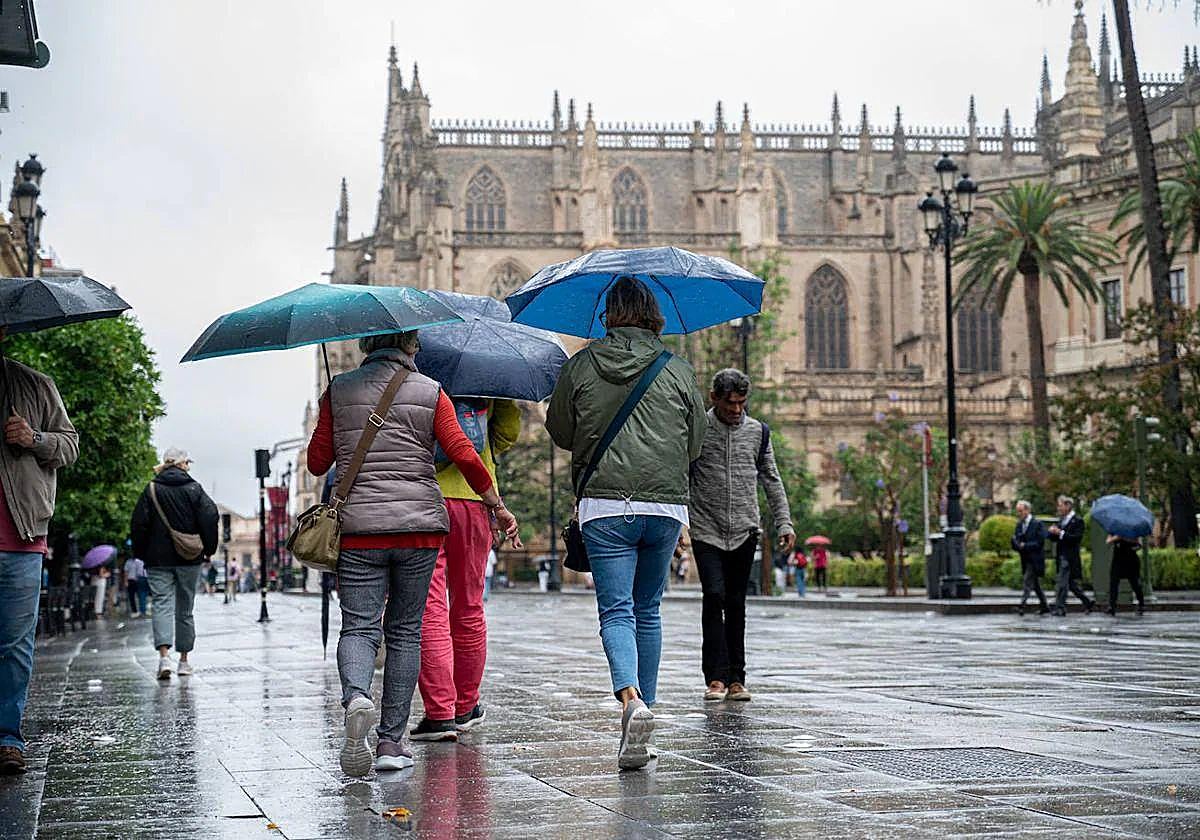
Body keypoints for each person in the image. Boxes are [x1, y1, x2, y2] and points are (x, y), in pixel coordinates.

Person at [305, 330, 519, 777]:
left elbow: (317, 463)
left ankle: (357, 697)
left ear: (365, 345)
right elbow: (463, 452)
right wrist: (496, 506)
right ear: (412, 347)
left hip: (360, 528)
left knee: (360, 626)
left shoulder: (339, 388)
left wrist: (336, 408)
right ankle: (390, 742)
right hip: (419, 528)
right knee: (406, 631)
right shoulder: (430, 390)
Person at [546, 276, 705, 771]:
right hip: (664, 508)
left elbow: (560, 432)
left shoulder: (582, 365)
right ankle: (646, 715)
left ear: (608, 314)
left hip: (605, 504)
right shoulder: (677, 369)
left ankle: (630, 702)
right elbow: (695, 442)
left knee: (616, 611)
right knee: (649, 610)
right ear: (654, 314)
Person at [412, 398, 520, 742]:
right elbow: (508, 429)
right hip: (476, 495)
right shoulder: (486, 372)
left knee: (429, 606)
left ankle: (440, 713)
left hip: (424, 497)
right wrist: (481, 444)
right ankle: (466, 707)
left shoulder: (422, 371)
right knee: (469, 604)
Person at [688, 369, 795, 704]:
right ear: (714, 398)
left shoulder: (758, 432)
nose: (736, 409)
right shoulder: (699, 429)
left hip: (745, 529)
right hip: (706, 527)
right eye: (730, 403)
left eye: (741, 402)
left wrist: (785, 523)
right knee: (714, 596)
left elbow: (772, 480)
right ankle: (715, 678)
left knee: (736, 602)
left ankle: (737, 678)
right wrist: (678, 524)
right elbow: (681, 476)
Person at [0, 332, 79, 776]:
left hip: (20, 536)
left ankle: (7, 737)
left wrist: (34, 438)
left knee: (14, 644)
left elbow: (69, 446)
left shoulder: (36, 384)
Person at [130, 447, 219, 681]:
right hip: (190, 558)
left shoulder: (151, 490)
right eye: (187, 463)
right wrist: (208, 550)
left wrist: (142, 553)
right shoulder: (194, 489)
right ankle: (184, 661)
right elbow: (210, 517)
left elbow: (138, 524)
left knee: (161, 604)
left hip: (157, 560)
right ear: (181, 465)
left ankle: (163, 657)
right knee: (185, 608)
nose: (188, 467)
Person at [1047, 495, 1094, 616]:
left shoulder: (1078, 521)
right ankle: (1087, 602)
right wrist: (1052, 532)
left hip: (1070, 557)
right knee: (1071, 585)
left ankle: (1060, 608)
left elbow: (1076, 538)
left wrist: (1061, 533)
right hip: (1061, 555)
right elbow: (1054, 538)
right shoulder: (1061, 520)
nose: (1059, 508)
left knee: (1062, 583)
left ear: (1068, 506)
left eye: (1060, 505)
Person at [1011, 500, 1050, 615]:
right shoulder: (1019, 525)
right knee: (1036, 585)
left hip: (1035, 559)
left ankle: (1022, 605)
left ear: (1028, 510)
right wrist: (1016, 544)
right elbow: (1017, 541)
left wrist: (1025, 545)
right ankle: (1045, 606)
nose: (1019, 513)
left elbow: (1040, 542)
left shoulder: (1037, 524)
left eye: (1021, 511)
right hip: (1025, 559)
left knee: (1027, 581)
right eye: (1017, 511)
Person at [1105, 534, 1146, 616]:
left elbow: (1139, 545)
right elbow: (1108, 541)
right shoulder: (1114, 529)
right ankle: (1112, 606)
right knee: (1113, 583)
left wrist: (1126, 539)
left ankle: (1141, 604)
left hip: (1131, 560)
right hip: (1117, 561)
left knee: (1135, 583)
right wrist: (1117, 537)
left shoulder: (1134, 530)